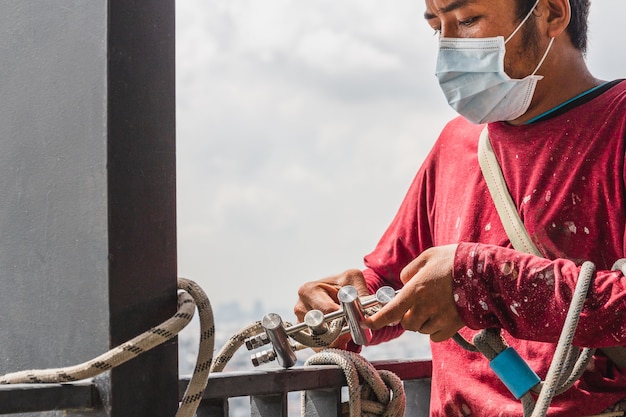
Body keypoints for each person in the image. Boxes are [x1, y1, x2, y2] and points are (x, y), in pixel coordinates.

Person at [294, 0, 626, 415]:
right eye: (437, 27)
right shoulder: (458, 144)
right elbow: (396, 284)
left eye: (468, 20)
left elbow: (461, 279)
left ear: (552, 14)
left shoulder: (618, 122)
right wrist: (347, 307)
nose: (449, 48)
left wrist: (479, 281)